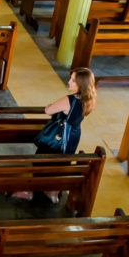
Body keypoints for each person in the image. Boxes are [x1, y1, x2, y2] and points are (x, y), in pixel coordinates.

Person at [14, 68, 97, 202]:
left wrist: (51, 106)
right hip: (72, 136)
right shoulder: (89, 99)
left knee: (40, 163)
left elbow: (48, 110)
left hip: (57, 137)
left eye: (73, 80)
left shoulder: (69, 100)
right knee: (60, 164)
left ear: (81, 84)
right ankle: (52, 192)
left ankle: (29, 192)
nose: (69, 82)